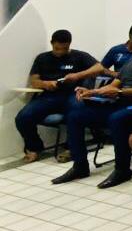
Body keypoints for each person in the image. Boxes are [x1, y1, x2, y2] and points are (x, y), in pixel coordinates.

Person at [52, 28, 132, 189]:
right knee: (75, 116)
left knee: (117, 119)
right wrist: (92, 92)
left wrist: (121, 92)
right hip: (122, 105)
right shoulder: (131, 63)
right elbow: (114, 85)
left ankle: (122, 169)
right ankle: (80, 166)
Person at [16, 30, 103, 162]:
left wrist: (77, 75)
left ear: (69, 44)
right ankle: (34, 147)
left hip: (72, 94)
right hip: (50, 96)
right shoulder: (42, 58)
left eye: (64, 49)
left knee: (76, 113)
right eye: (57, 49)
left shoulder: (79, 56)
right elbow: (34, 81)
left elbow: (100, 68)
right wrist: (46, 84)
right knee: (23, 117)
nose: (60, 52)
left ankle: (72, 148)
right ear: (52, 43)